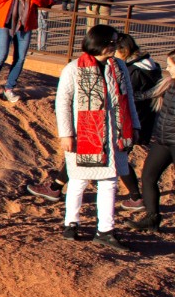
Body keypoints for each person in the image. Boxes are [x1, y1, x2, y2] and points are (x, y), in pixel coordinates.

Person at [54, 24, 138, 243]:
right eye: (111, 43)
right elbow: (62, 102)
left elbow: (128, 99)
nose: (115, 47)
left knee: (109, 181)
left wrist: (134, 126)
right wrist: (66, 134)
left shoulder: (119, 66)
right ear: (98, 43)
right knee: (78, 180)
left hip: (114, 134)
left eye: (115, 42)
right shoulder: (73, 68)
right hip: (85, 134)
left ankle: (105, 230)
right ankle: (71, 223)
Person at [116, 36, 161, 204]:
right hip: (145, 120)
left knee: (118, 156)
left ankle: (136, 197)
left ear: (123, 51)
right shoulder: (152, 65)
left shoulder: (133, 71)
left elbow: (127, 98)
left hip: (131, 122)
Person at [134, 53, 175, 231]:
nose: (167, 69)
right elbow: (145, 95)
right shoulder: (168, 84)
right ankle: (152, 218)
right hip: (163, 140)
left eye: (170, 65)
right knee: (148, 176)